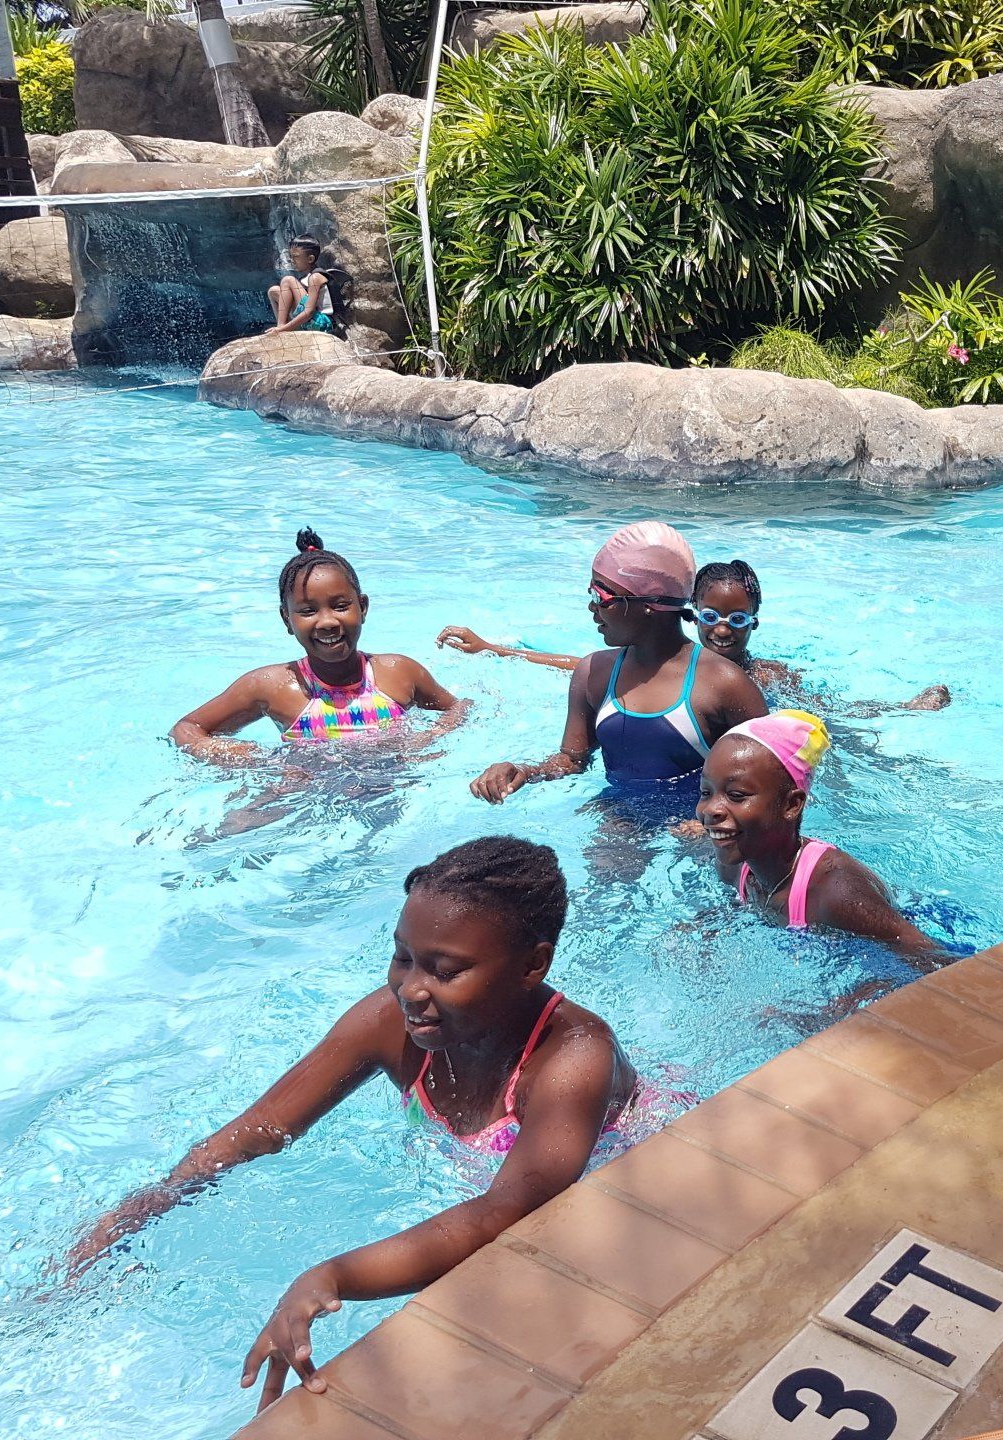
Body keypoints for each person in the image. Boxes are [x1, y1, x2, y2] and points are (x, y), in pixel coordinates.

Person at [64, 837, 689, 1413]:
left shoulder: (573, 1058)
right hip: (494, 1188)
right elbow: (263, 1127)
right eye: (403, 958)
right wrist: (146, 1206)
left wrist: (335, 1275)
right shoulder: (393, 1024)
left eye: (445, 971)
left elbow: (506, 1212)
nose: (411, 989)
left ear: (533, 966)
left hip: (628, 1177)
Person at [469, 524, 767, 809]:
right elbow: (571, 761)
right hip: (617, 814)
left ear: (649, 604)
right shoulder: (593, 672)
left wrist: (709, 820)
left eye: (601, 596)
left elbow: (769, 774)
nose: (592, 607)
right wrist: (525, 771)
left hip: (698, 822)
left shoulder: (724, 683)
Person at [439, 558, 951, 712]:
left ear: (755, 622)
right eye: (711, 617)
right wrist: (493, 649)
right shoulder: (667, 667)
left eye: (738, 620)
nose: (723, 629)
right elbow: (575, 664)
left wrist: (901, 708)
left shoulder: (768, 676)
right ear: (691, 616)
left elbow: (829, 711)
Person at [172, 529, 463, 764]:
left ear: (362, 607)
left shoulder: (399, 672)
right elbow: (186, 730)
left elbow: (460, 708)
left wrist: (430, 737)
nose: (327, 622)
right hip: (303, 796)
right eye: (308, 611)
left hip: (388, 793)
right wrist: (258, 760)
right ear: (287, 620)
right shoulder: (270, 687)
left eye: (340, 606)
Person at [699, 709, 943, 961]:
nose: (710, 809)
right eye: (706, 792)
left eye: (736, 795)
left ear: (791, 805)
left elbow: (934, 961)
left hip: (926, 916)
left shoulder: (838, 894)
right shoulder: (734, 867)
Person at [266, 238, 335, 336]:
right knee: (273, 291)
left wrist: (282, 329)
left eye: (296, 257)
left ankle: (281, 327)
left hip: (323, 323)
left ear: (310, 259)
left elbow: (309, 312)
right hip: (311, 321)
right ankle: (282, 326)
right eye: (291, 256)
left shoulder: (316, 277)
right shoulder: (305, 278)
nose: (292, 260)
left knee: (288, 280)